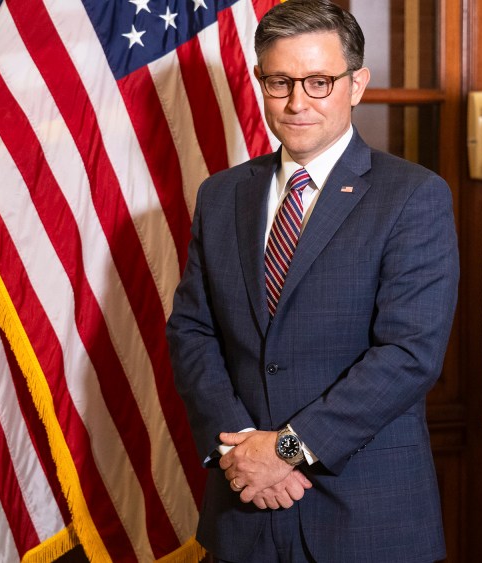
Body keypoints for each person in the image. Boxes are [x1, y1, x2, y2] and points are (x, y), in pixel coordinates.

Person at [165, 1, 458, 561]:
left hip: (366, 518)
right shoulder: (222, 195)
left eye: (319, 82)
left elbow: (409, 353)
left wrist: (285, 451)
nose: (298, 102)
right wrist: (241, 452)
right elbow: (192, 332)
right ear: (260, 81)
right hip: (243, 509)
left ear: (356, 85)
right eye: (280, 82)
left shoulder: (413, 196)